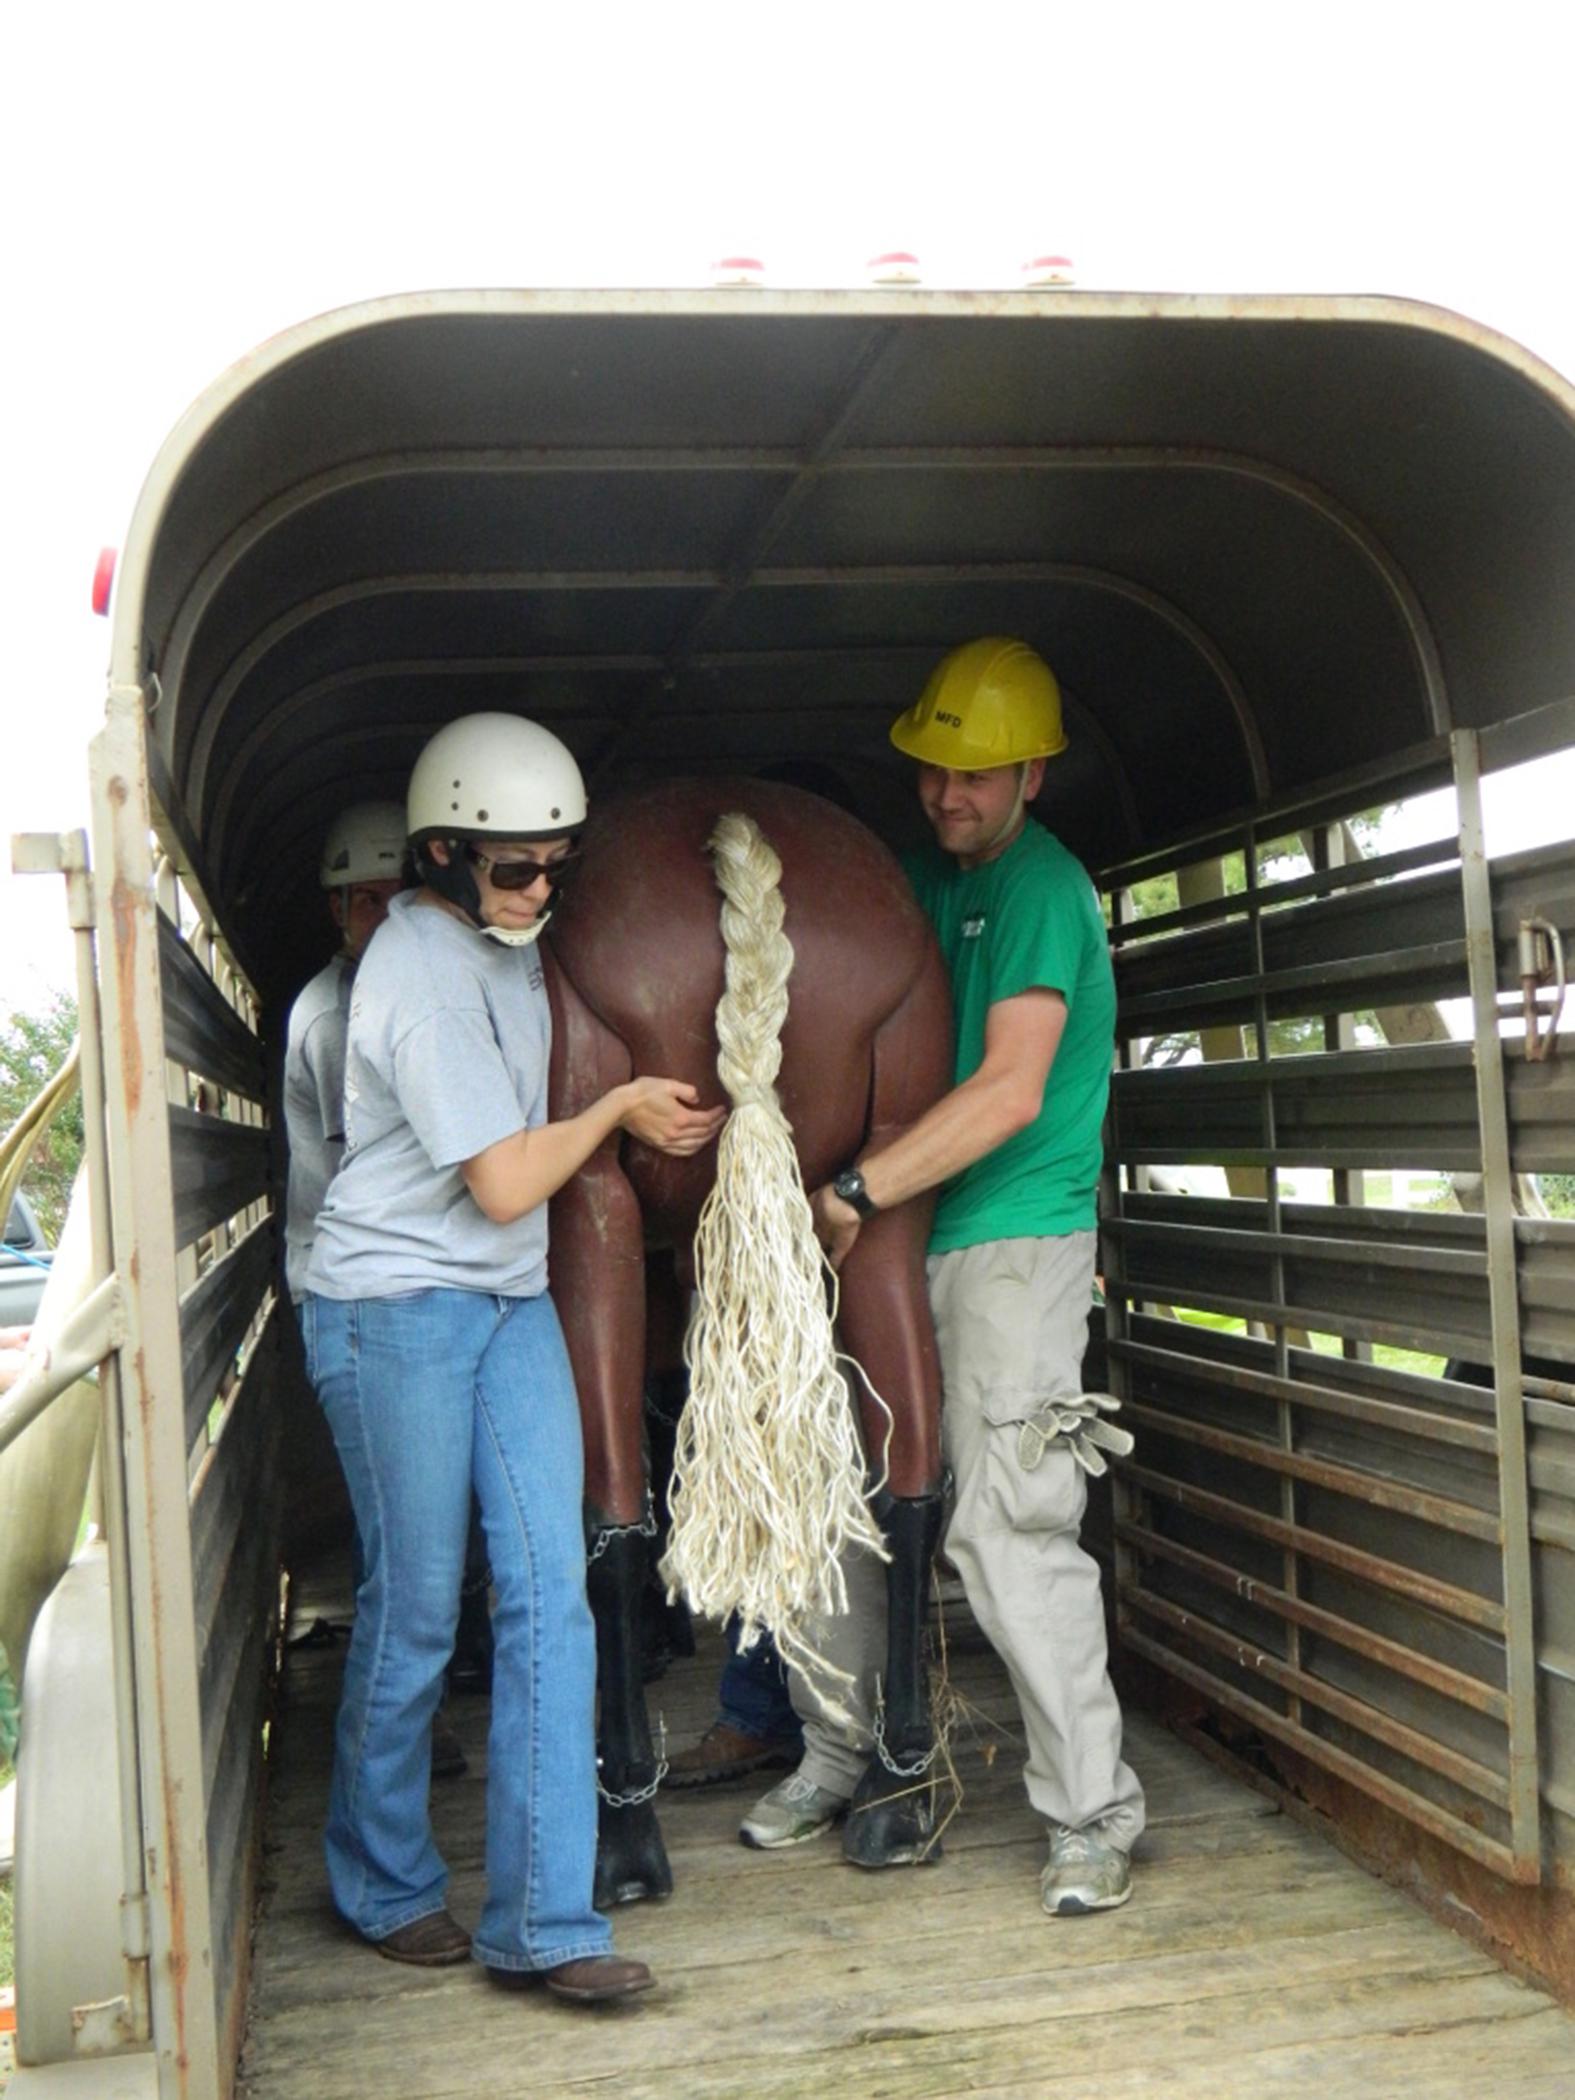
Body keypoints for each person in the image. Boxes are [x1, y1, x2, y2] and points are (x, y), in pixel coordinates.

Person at [300, 713, 724, 2001]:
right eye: (514, 869)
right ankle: (380, 1880)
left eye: (558, 865)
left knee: (555, 1590)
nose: (541, 892)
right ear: (438, 857)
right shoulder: (417, 968)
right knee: (420, 1604)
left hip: (504, 1304)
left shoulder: (514, 948)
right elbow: (499, 1183)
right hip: (393, 1308)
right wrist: (612, 1111)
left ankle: (547, 1924)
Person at [741, 637, 1146, 1917]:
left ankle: (1091, 1813)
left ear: (1032, 773)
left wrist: (858, 1191)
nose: (947, 797)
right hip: (900, 1234)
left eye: (975, 778)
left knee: (1008, 1527)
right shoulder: (914, 878)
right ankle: (838, 1754)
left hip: (1006, 1240)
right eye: (932, 772)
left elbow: (1012, 1090)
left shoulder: (1045, 891)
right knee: (838, 1491)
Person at [282, 801, 479, 1775]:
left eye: (392, 892)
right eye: (361, 900)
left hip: (407, 1287)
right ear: (335, 910)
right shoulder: (332, 1018)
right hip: (360, 1295)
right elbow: (370, 1171)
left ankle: (418, 1716)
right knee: (396, 1557)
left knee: (413, 1549)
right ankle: (398, 1748)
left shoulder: (404, 988)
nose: (380, 913)